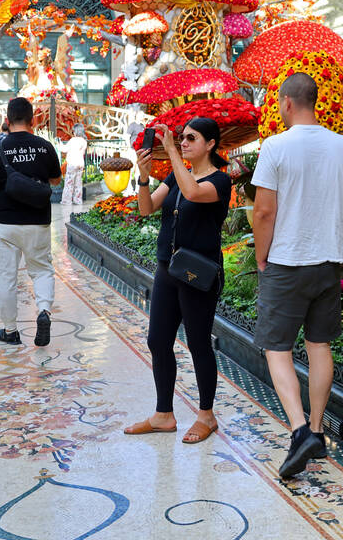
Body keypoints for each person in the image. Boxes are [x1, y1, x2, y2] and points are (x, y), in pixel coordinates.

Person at [252, 73, 343, 478]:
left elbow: (264, 211)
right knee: (319, 345)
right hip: (327, 263)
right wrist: (341, 244)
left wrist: (262, 257)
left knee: (276, 347)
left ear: (285, 102)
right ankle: (317, 428)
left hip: (286, 262)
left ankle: (300, 431)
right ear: (315, 102)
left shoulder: (275, 147)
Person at [124, 118, 231, 444]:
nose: (183, 143)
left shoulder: (220, 181)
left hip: (198, 273)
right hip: (168, 268)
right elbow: (147, 208)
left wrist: (169, 151)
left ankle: (206, 415)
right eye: (181, 138)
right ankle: (163, 414)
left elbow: (193, 192)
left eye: (191, 138)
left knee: (198, 343)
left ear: (210, 144)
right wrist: (143, 177)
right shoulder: (175, 175)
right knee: (157, 340)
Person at [0, 97, 62, 346]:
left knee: (6, 277)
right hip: (38, 221)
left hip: (6, 222)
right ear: (34, 120)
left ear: (7, 121)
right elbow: (55, 180)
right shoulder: (44, 146)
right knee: (41, 269)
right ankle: (43, 311)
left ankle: (10, 331)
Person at [60, 123, 88, 206]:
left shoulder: (73, 140)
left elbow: (64, 149)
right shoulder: (84, 141)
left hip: (72, 163)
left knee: (69, 183)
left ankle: (67, 201)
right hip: (80, 163)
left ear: (76, 131)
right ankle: (78, 200)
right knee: (78, 183)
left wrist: (59, 144)